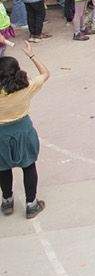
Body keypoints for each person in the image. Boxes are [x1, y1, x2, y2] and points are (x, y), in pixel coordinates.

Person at [0, 39, 47, 218]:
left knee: (3, 168)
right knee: (28, 166)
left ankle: (7, 201)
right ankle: (31, 204)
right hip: (22, 130)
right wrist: (31, 55)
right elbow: (45, 73)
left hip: (1, 133)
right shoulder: (26, 87)